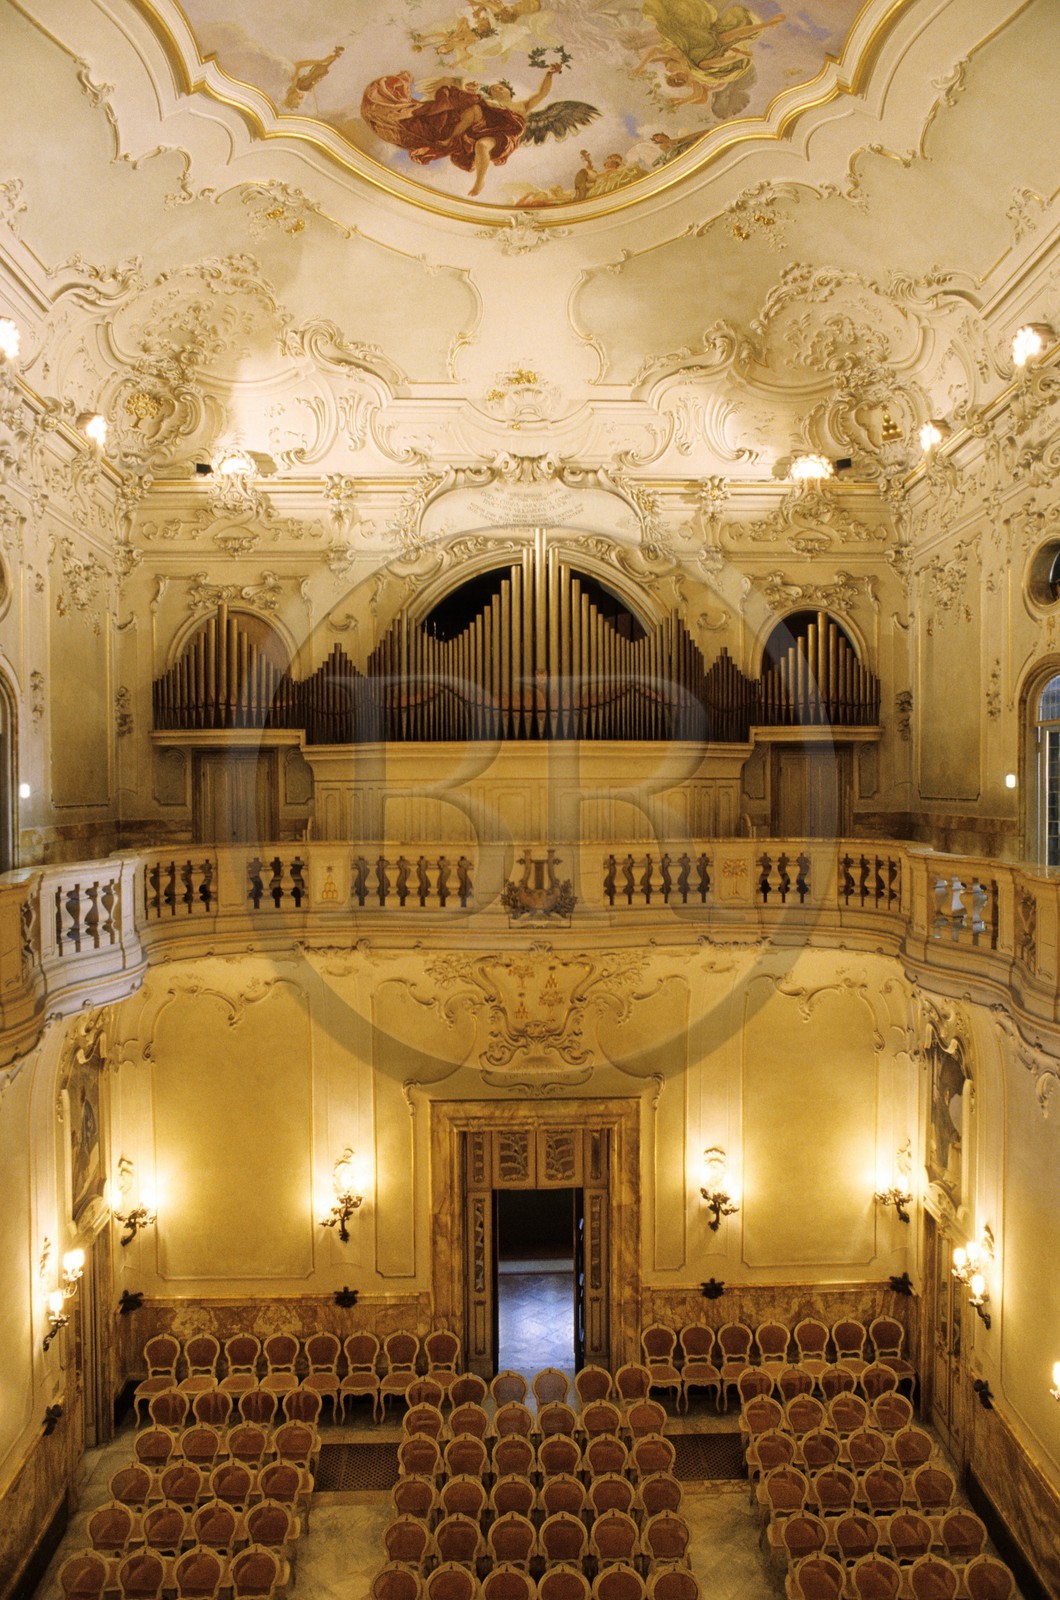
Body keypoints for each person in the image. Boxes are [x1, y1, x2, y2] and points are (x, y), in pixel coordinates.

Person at [361, 66, 561, 197]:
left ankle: (479, 182)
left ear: (509, 91)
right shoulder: (488, 103)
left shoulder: (521, 107)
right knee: (473, 108)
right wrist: (466, 91)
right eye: (493, 90)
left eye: (500, 88)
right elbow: (468, 104)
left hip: (502, 137)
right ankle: (449, 138)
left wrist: (549, 74)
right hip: (479, 129)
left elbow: (542, 92)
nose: (496, 90)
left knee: (483, 145)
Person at [283, 44, 344, 111]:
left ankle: (336, 53)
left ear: (290, 96)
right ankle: (336, 55)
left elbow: (298, 65)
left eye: (296, 98)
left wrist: (322, 61)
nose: (300, 97)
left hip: (313, 55)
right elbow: (313, 83)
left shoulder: (293, 83)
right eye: (300, 99)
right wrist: (316, 82)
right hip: (319, 71)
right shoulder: (304, 89)